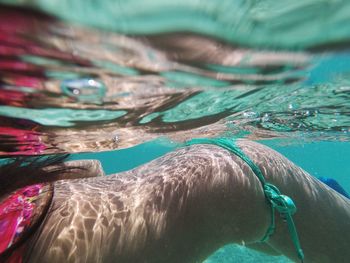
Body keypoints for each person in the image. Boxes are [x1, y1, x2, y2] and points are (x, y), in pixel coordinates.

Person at [0, 139, 349, 263]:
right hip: (230, 175)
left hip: (236, 177)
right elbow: (84, 168)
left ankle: (323, 194)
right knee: (271, 239)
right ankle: (323, 194)